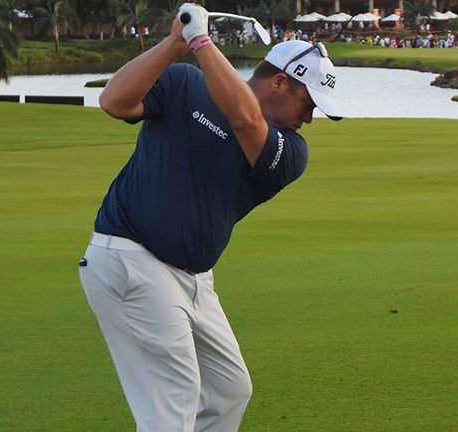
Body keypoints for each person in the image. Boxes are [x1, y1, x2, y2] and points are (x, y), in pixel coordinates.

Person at [78, 3, 342, 431]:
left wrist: (201, 42)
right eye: (309, 103)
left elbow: (243, 118)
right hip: (133, 259)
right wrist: (173, 43)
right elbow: (113, 100)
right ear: (279, 82)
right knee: (175, 398)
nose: (311, 117)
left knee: (228, 390)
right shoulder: (185, 83)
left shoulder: (291, 151)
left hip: (195, 279)